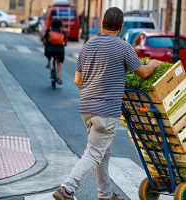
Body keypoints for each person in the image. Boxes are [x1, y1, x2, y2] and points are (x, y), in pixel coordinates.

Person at [52, 7, 161, 200]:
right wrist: (153, 64)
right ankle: (67, 189)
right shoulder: (123, 47)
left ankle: (106, 194)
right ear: (120, 27)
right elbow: (143, 73)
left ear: (102, 24)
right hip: (106, 110)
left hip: (86, 107)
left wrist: (92, 93)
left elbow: (77, 80)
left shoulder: (88, 45)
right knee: (94, 153)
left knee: (102, 153)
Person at [43, 19, 66, 84]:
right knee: (58, 63)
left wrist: (45, 43)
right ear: (60, 25)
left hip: (50, 49)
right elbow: (65, 41)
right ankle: (60, 78)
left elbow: (45, 39)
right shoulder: (62, 31)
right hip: (59, 50)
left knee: (47, 46)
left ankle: (48, 63)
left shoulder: (49, 30)